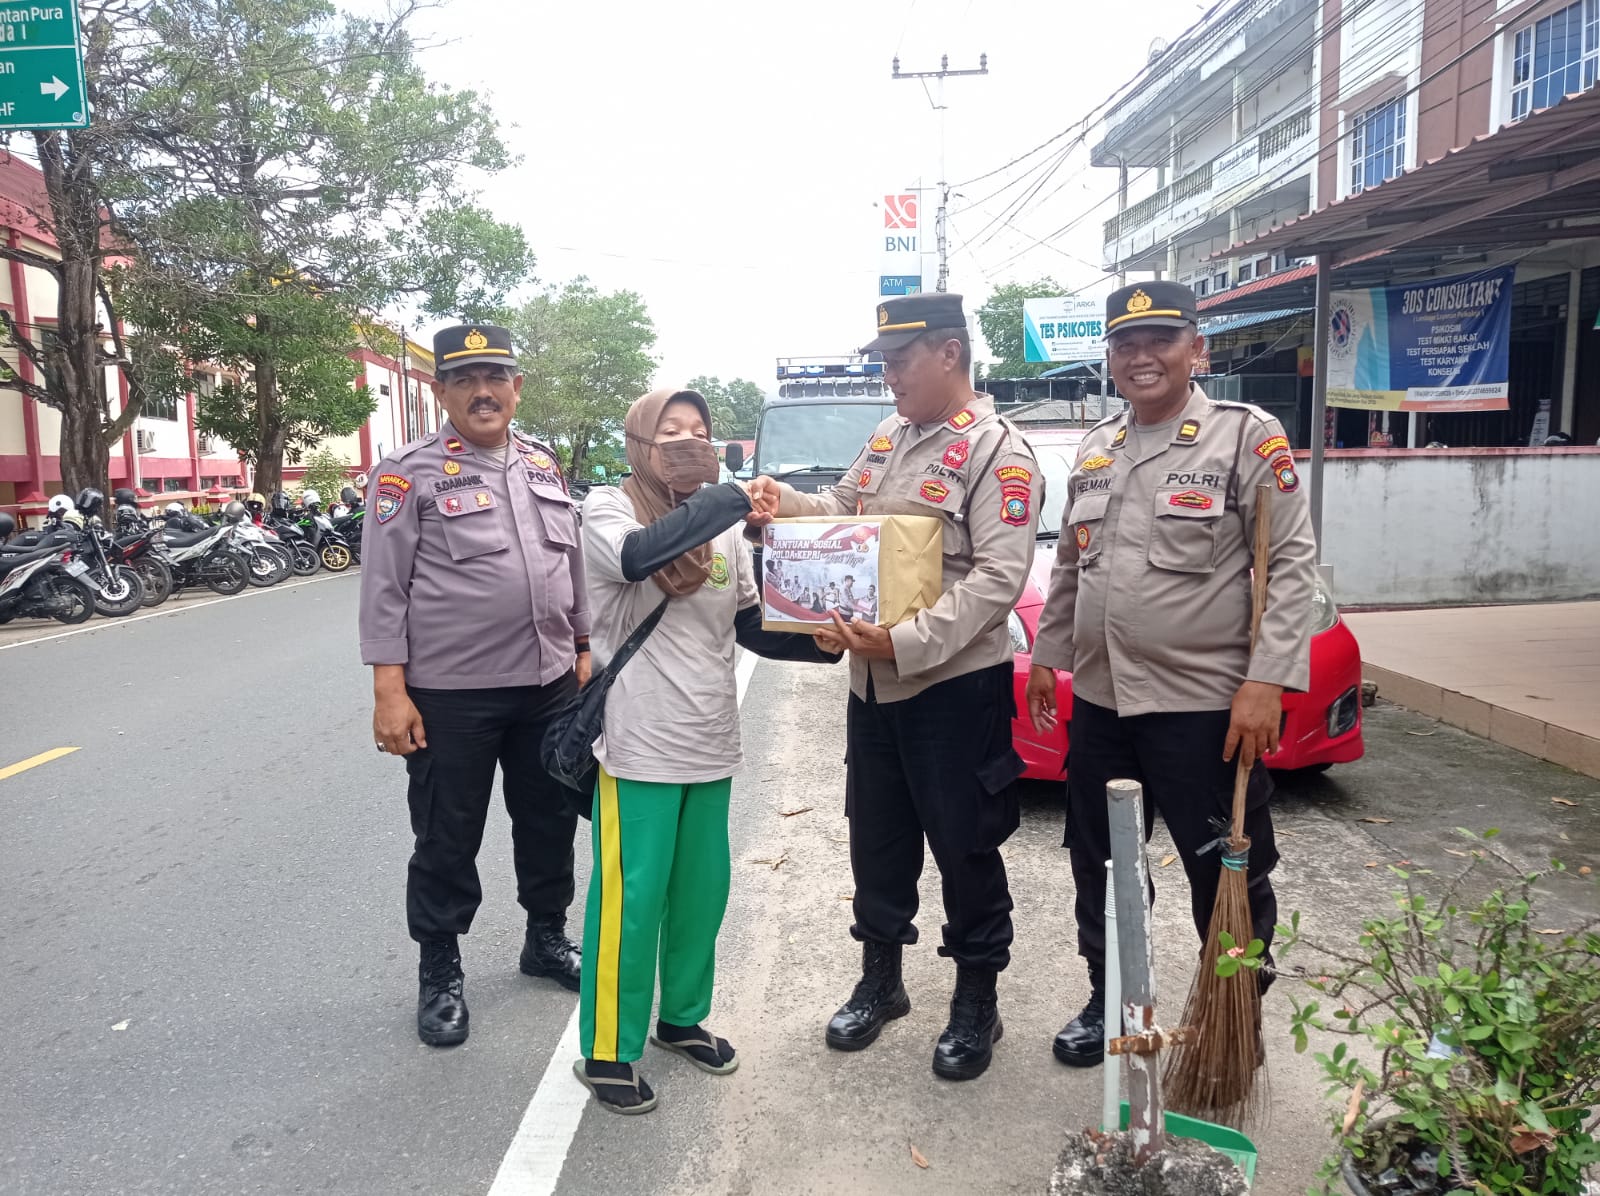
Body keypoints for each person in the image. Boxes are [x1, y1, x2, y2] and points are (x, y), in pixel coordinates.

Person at [747, 292, 1042, 1082]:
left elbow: (998, 578)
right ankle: (881, 981)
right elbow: (840, 507)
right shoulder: (889, 435)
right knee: (877, 840)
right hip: (873, 686)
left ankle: (977, 999)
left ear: (950, 354)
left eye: (900, 360)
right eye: (883, 361)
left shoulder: (997, 452)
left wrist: (904, 641)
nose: (889, 375)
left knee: (965, 845)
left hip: (953, 687)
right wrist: (784, 504)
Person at [1023, 281, 1318, 1068]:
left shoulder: (1244, 436)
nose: (1142, 356)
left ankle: (1232, 1012)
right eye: (1125, 344)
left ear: (1198, 348)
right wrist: (1050, 655)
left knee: (1224, 865)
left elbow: (1291, 565)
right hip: (1102, 701)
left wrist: (1268, 680)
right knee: (1102, 862)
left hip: (1203, 706)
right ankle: (1113, 998)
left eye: (1160, 339)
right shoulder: (1098, 447)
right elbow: (1071, 566)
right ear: (1110, 358)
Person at [575, 387, 839, 1114]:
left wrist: (822, 642)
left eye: (699, 429)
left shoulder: (721, 531)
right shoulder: (610, 508)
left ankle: (682, 1017)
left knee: (700, 894)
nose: (688, 441)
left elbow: (748, 623)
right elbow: (638, 558)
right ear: (639, 442)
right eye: (671, 431)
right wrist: (731, 499)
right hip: (639, 743)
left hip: (710, 738)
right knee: (631, 901)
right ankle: (607, 1049)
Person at [358, 323, 591, 1048]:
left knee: (549, 821)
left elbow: (571, 564)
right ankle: (440, 969)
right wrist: (389, 692)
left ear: (517, 387)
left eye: (495, 378)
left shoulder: (543, 464)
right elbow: (385, 588)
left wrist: (583, 645)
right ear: (442, 392)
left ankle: (545, 938)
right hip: (451, 694)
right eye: (464, 380)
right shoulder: (407, 474)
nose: (482, 392)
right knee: (447, 834)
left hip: (549, 683)